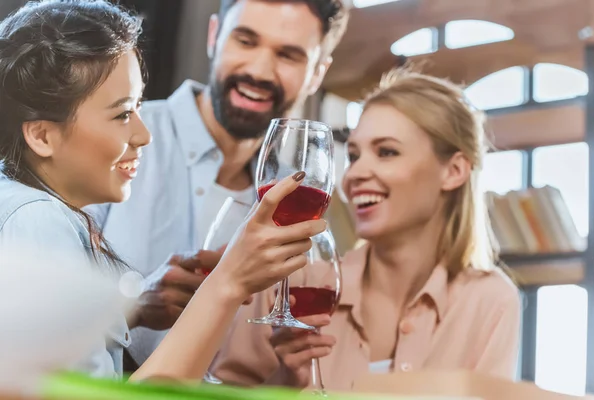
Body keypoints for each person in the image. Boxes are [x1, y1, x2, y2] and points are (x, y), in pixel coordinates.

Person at [0, 0, 325, 381]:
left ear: (319, 72)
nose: (144, 133)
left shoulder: (43, 210)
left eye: (138, 107)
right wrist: (229, 280)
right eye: (122, 113)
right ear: (41, 135)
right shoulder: (38, 218)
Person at [211, 68, 522, 390]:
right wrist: (286, 381)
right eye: (354, 155)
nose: (355, 173)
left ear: (454, 171)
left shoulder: (489, 301)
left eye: (386, 152)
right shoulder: (292, 280)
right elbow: (221, 394)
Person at [87, 0, 350, 367]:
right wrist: (131, 305)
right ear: (214, 36)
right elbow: (27, 301)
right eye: (245, 41)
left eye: (288, 55)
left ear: (317, 73)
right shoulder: (115, 137)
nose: (259, 70)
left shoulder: (297, 195)